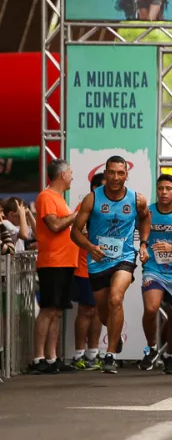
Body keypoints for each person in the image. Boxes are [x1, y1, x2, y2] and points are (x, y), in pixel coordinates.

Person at [71, 156, 151, 374]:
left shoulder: (136, 199)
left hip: (124, 257)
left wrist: (143, 243)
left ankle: (111, 353)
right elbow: (75, 232)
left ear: (127, 175)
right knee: (104, 313)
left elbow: (145, 218)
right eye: (112, 172)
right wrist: (90, 248)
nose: (116, 177)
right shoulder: (92, 199)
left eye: (121, 173)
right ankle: (115, 338)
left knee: (116, 297)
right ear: (105, 173)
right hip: (97, 261)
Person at [29, 159, 79, 374]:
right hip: (52, 261)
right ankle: (38, 357)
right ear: (62, 175)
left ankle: (52, 358)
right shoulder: (47, 196)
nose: (72, 177)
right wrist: (76, 215)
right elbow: (55, 225)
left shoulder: (58, 198)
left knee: (57, 311)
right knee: (49, 309)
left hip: (65, 260)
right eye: (70, 173)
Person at [139, 174, 172, 375]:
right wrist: (143, 248)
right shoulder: (148, 211)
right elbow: (140, 235)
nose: (164, 192)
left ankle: (169, 354)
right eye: (160, 188)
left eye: (168, 188)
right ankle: (151, 348)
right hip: (153, 268)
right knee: (151, 309)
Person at [71, 173, 105, 371]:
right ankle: (78, 354)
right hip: (85, 267)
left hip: (105, 267)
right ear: (93, 188)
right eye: (102, 187)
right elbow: (77, 233)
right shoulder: (85, 207)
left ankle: (93, 353)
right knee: (86, 311)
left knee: (99, 311)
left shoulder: (113, 207)